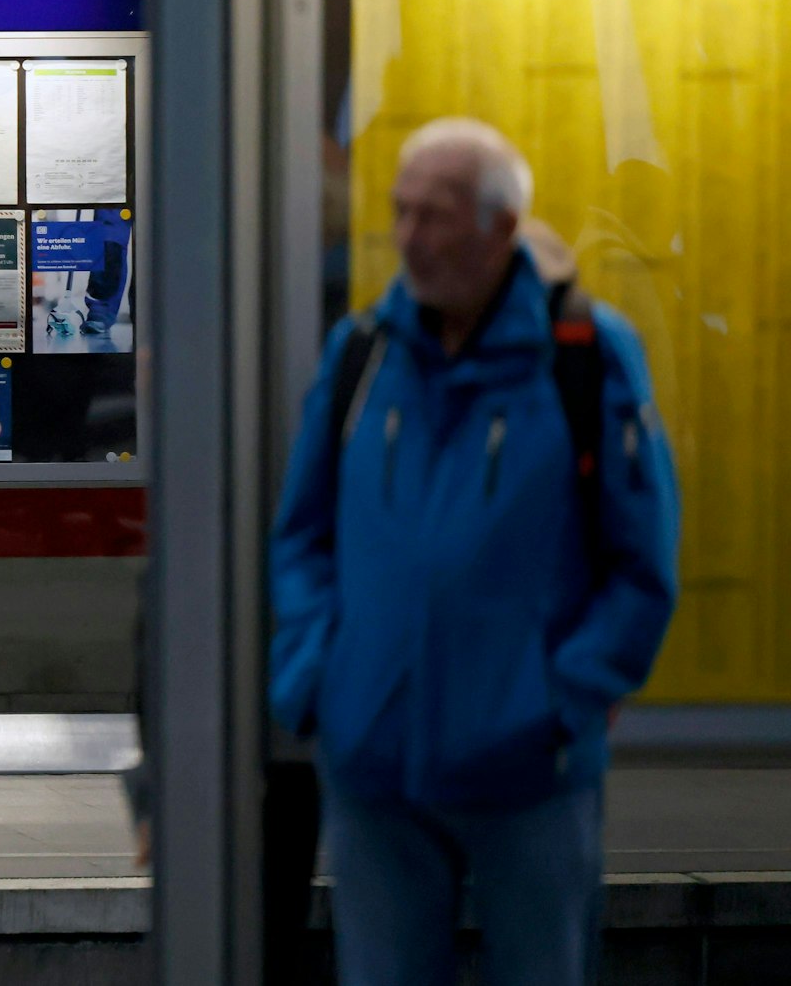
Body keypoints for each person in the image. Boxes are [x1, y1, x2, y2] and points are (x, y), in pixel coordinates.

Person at [270, 118, 679, 985]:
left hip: (529, 770)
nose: (410, 238)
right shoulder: (363, 355)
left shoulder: (589, 358)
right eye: (401, 212)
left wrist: (568, 696)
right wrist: (319, 675)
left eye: (437, 215)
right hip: (375, 767)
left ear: (500, 226)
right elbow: (302, 535)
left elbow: (642, 564)